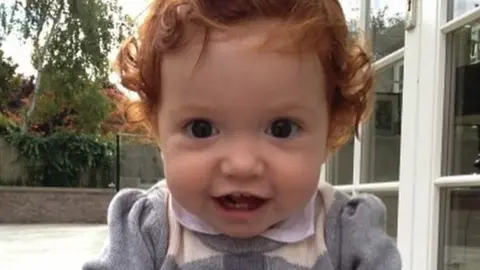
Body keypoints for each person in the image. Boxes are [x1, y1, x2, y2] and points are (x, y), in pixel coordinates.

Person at [83, 0, 402, 269]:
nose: (241, 164)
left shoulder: (345, 236)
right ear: (157, 127)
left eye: (281, 128)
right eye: (201, 128)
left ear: (331, 127)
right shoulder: (148, 232)